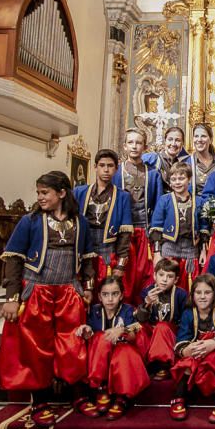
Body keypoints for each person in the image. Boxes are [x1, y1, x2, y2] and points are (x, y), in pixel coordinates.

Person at [0, 171, 95, 427]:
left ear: (62, 193)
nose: (40, 197)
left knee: (73, 344)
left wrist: (87, 287)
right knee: (36, 348)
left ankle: (78, 394)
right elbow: (14, 258)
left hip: (68, 291)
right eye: (39, 193)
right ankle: (39, 400)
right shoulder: (30, 221)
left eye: (45, 193)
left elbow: (87, 259)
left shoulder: (80, 223)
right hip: (37, 290)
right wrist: (12, 297)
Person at [170, 273, 215, 424]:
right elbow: (180, 341)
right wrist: (187, 349)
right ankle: (179, 397)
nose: (202, 297)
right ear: (193, 295)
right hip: (197, 356)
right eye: (198, 292)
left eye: (207, 292)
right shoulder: (189, 314)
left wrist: (213, 343)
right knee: (187, 361)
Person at [74, 277, 147, 420]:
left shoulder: (128, 310)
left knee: (124, 351)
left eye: (114, 294)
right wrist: (87, 330)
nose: (110, 299)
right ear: (100, 296)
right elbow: (90, 336)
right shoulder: (93, 310)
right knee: (101, 337)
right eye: (106, 294)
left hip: (121, 358)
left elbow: (136, 332)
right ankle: (101, 388)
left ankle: (122, 397)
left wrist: (122, 330)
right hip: (101, 360)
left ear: (121, 295)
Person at [114, 128, 164, 302]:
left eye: (138, 143)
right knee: (124, 274)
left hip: (144, 230)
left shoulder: (153, 174)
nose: (134, 146)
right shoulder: (116, 172)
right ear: (124, 146)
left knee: (144, 273)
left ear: (145, 146)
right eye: (130, 142)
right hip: (122, 232)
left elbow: (158, 206)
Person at [74, 149, 134, 287]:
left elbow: (125, 233)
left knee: (105, 290)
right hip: (83, 247)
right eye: (102, 165)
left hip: (107, 250)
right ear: (95, 167)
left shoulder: (122, 196)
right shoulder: (79, 192)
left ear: (116, 169)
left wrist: (120, 265)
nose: (106, 170)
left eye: (110, 166)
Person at [150, 161, 208, 290]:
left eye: (181, 178)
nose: (177, 182)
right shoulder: (164, 200)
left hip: (190, 249)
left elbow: (204, 228)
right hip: (169, 247)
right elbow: (156, 229)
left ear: (189, 180)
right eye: (174, 179)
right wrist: (157, 252)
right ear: (170, 182)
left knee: (189, 284)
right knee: (167, 282)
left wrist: (203, 250)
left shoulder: (199, 201)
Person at [134, 258, 188, 380]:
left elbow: (186, 319)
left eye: (169, 276)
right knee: (140, 331)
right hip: (151, 331)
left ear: (176, 280)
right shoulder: (146, 292)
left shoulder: (181, 294)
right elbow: (140, 319)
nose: (164, 279)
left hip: (171, 332)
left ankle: (162, 364)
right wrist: (146, 303)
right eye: (161, 275)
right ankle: (144, 365)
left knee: (162, 326)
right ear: (154, 275)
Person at [143, 126, 190, 192]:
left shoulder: (182, 164)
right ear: (165, 141)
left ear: (182, 144)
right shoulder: (151, 159)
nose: (173, 144)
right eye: (170, 139)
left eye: (178, 140)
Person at [188, 123, 215, 196]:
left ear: (211, 140)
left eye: (203, 136)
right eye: (196, 136)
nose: (199, 140)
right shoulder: (187, 163)